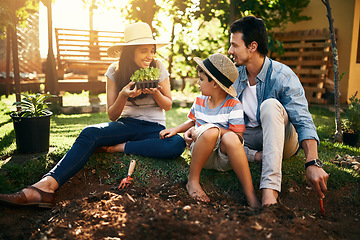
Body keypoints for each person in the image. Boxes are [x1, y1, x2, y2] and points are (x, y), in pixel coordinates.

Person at [0, 22, 186, 208]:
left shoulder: (158, 66)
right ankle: (45, 187)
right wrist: (123, 95)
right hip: (125, 125)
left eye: (152, 50)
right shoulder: (115, 70)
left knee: (177, 143)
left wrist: (155, 92)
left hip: (154, 128)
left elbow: (168, 105)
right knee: (90, 132)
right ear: (131, 52)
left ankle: (117, 147)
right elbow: (112, 115)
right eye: (144, 51)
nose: (150, 56)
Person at [225, 16, 329, 206]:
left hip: (281, 138)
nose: (230, 51)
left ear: (252, 46)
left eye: (234, 45)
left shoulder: (283, 75)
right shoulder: (233, 76)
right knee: (213, 134)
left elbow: (303, 120)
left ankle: (269, 193)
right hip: (248, 137)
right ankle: (253, 156)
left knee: (270, 105)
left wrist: (312, 162)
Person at [160, 53, 261, 208]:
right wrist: (176, 129)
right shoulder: (199, 101)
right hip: (202, 156)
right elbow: (193, 120)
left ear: (214, 83)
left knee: (227, 136)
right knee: (210, 131)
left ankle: (250, 195)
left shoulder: (234, 105)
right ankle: (192, 181)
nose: (198, 83)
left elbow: (238, 137)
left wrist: (213, 129)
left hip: (224, 158)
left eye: (201, 79)